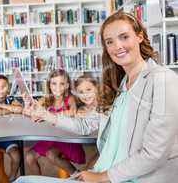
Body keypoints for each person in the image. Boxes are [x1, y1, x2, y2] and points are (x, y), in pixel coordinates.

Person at [15, 11, 178, 183]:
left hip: (130, 178)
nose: (118, 46)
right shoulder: (118, 85)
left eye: (124, 37)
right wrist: (45, 114)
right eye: (110, 42)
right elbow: (86, 124)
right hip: (103, 172)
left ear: (140, 36)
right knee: (22, 181)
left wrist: (102, 177)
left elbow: (155, 153)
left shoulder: (162, 79)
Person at [25, 69, 85, 177]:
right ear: (49, 85)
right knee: (29, 157)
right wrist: (30, 108)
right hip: (51, 138)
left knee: (51, 154)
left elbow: (72, 112)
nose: (57, 87)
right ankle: (39, 180)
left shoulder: (70, 98)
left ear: (67, 85)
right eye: (54, 83)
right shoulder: (46, 99)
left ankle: (77, 175)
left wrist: (48, 116)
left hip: (66, 138)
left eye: (61, 84)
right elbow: (32, 112)